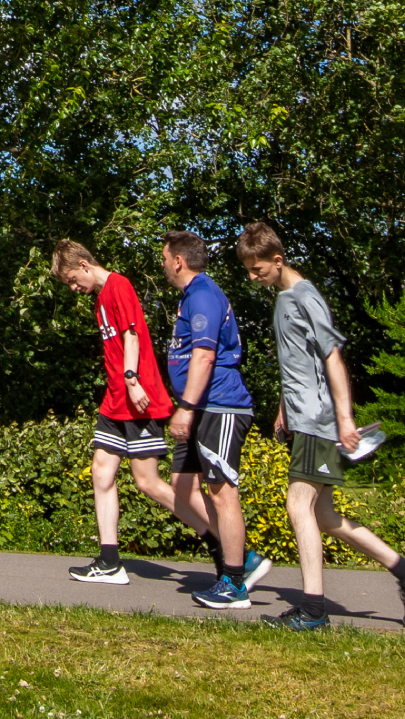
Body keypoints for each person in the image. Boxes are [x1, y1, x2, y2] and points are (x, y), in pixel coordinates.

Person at [236, 222, 405, 631]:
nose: (252, 277)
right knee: (324, 516)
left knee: (298, 505)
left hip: (319, 421)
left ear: (278, 260)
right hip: (302, 416)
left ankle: (313, 610)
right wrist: (283, 408)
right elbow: (297, 361)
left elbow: (332, 358)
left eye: (257, 270)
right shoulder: (283, 297)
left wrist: (345, 419)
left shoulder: (305, 296)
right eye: (249, 270)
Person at [50, 239, 221, 583]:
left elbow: (133, 336)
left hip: (137, 400)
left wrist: (131, 379)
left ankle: (223, 544)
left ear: (84, 264)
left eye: (71, 279)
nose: (72, 287)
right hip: (114, 402)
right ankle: (109, 562)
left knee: (148, 482)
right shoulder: (100, 298)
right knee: (101, 472)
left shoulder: (119, 285)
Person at [162, 230, 268, 609]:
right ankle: (245, 557)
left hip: (219, 405)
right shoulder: (191, 296)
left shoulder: (203, 293)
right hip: (201, 405)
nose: (163, 265)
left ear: (179, 260)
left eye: (164, 258)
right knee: (181, 485)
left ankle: (235, 582)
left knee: (222, 492)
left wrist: (186, 407)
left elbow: (205, 356)